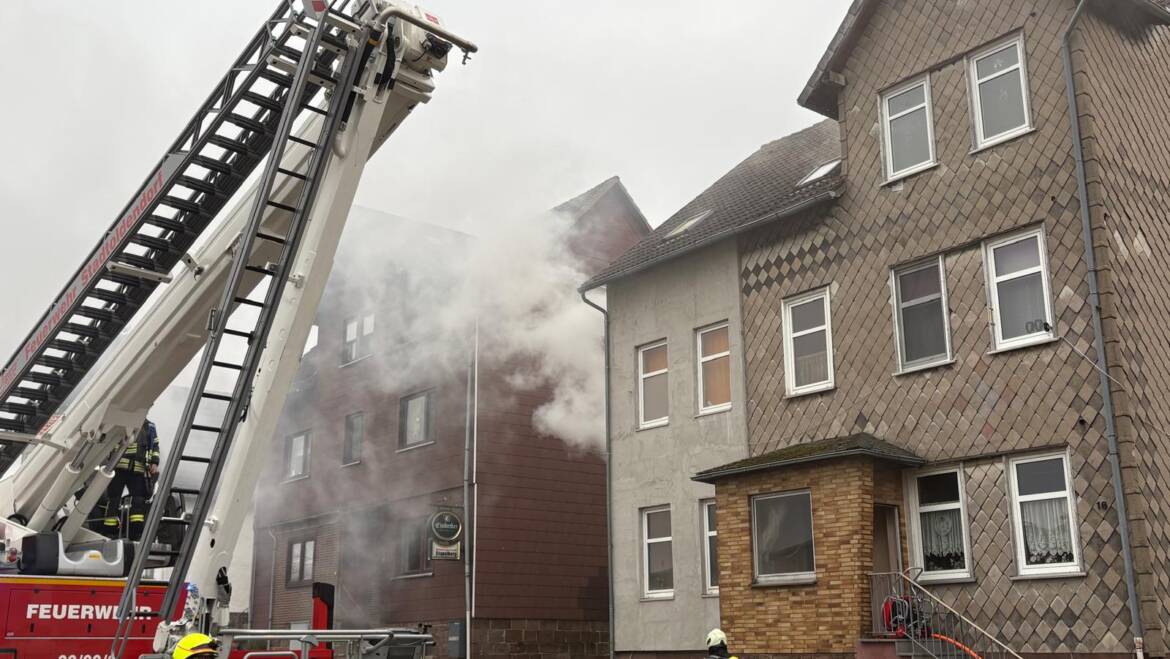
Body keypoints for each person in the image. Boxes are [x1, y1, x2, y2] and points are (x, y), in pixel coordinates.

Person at [101, 419, 160, 540]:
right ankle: (109, 531)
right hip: (119, 466)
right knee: (114, 498)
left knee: (139, 500)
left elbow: (155, 446)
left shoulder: (150, 426)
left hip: (138, 469)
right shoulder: (122, 421)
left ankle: (136, 532)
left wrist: (154, 462)